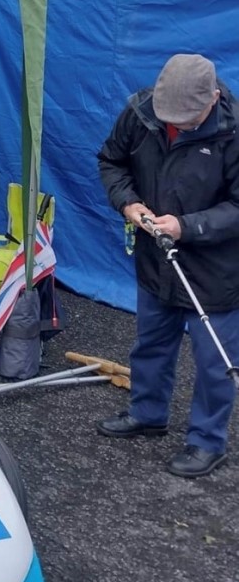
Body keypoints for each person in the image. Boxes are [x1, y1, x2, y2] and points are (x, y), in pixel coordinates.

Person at [96, 53, 239, 478]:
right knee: (151, 343)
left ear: (213, 98)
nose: (178, 123)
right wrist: (128, 202)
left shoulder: (233, 132)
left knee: (215, 360)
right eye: (170, 114)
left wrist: (187, 226)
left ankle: (207, 442)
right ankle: (148, 413)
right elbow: (111, 161)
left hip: (218, 267)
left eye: (188, 118)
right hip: (157, 256)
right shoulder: (141, 114)